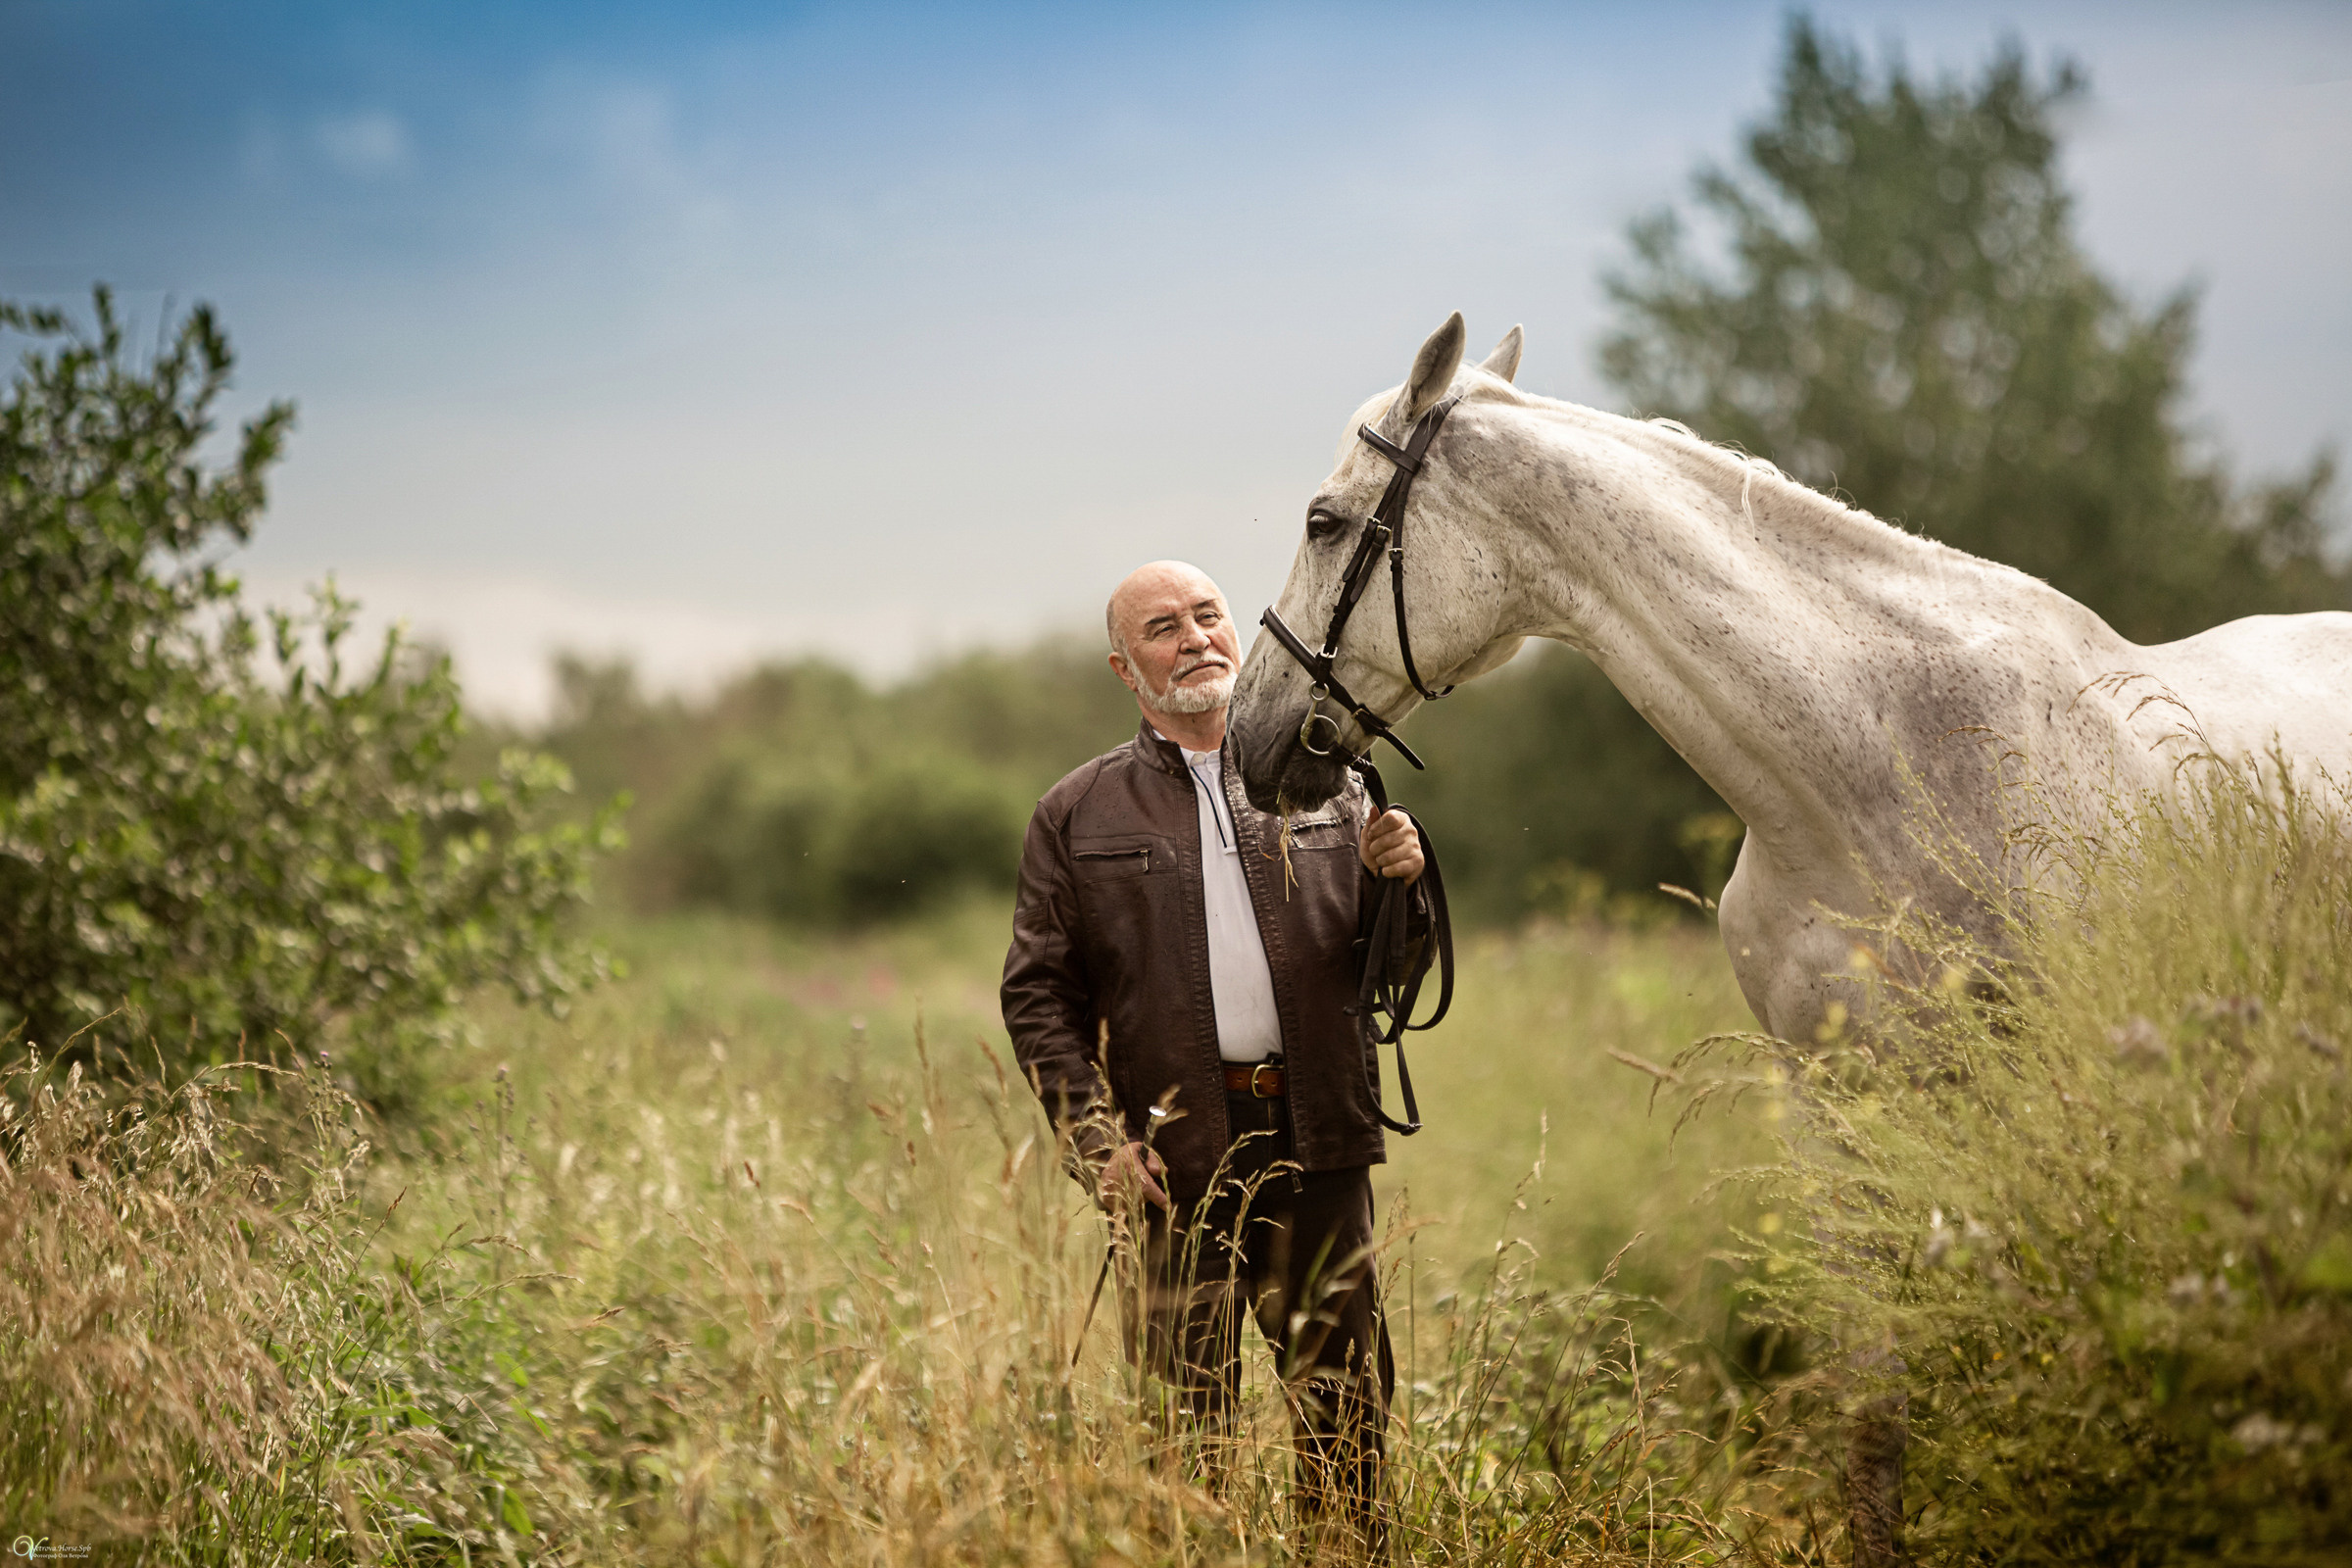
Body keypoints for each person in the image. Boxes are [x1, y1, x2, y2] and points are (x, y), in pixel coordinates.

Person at [1000, 559, 1427, 1548]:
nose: (1193, 638)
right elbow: (1038, 996)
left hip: (1318, 1139)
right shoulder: (1077, 812)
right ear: (1124, 667)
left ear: (1241, 632)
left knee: (1348, 1420)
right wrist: (1099, 1143)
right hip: (1172, 1160)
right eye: (1162, 627)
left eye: (1208, 615)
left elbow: (1389, 978)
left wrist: (1400, 885)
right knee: (1187, 1442)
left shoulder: (1333, 779)